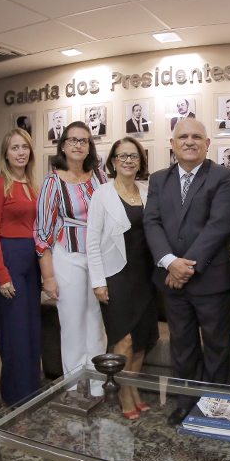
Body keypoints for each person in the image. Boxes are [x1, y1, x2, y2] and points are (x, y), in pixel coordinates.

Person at [144, 118, 230, 425]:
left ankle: (216, 409)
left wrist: (185, 266)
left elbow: (219, 225)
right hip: (172, 282)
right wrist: (169, 262)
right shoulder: (159, 179)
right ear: (172, 144)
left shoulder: (223, 176)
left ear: (207, 144)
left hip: (212, 280)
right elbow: (152, 222)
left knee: (217, 348)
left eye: (196, 136)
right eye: (183, 136)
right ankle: (187, 403)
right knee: (182, 347)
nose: (189, 141)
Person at [87, 136, 158, 419]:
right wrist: (98, 281)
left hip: (145, 276)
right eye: (122, 156)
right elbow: (92, 241)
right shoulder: (102, 194)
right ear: (113, 161)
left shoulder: (148, 192)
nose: (128, 160)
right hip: (116, 275)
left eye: (134, 156)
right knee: (124, 338)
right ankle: (123, 394)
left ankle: (133, 389)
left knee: (141, 341)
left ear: (140, 162)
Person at [36, 122, 109, 396]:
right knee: (72, 322)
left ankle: (98, 384)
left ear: (90, 147)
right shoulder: (52, 182)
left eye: (84, 141)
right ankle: (74, 386)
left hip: (98, 258)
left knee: (97, 322)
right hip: (68, 257)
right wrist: (48, 277)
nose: (78, 145)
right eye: (72, 140)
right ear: (63, 146)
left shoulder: (100, 177)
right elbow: (42, 234)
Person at [0, 129, 42, 406]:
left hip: (32, 262)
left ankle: (32, 390)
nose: (20, 152)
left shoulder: (33, 186)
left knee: (32, 329)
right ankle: (15, 395)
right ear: (5, 154)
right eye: (14, 148)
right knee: (15, 331)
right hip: (10, 260)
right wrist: (1, 273)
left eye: (24, 147)